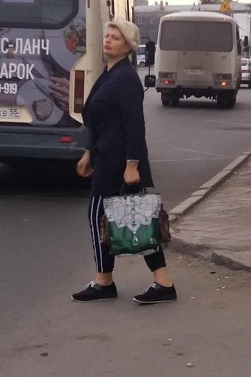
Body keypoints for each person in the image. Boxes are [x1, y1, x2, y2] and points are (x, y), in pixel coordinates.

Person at [72, 20, 177, 305]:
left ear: (128, 46)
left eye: (115, 38)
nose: (108, 40)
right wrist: (88, 153)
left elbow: (135, 125)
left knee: (104, 218)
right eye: (106, 35)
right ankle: (161, 282)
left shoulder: (126, 79)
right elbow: (100, 121)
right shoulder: (109, 74)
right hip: (106, 155)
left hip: (119, 161)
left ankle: (106, 281)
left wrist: (132, 165)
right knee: (136, 220)